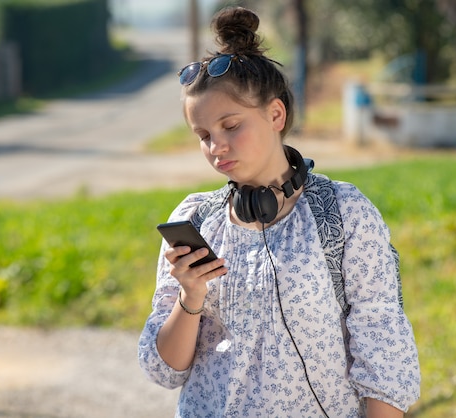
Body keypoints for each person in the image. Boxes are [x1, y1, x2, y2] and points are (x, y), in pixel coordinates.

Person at [138, 6, 420, 417]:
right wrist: (190, 296)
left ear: (275, 114)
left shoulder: (342, 214)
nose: (216, 148)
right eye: (203, 135)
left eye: (231, 126)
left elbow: (384, 352)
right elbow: (165, 371)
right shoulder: (197, 220)